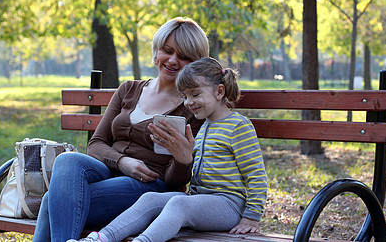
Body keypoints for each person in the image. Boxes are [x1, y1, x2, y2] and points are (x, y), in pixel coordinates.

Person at [32, 17, 210, 242]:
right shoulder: (129, 89)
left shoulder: (191, 108)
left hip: (150, 187)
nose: (173, 60)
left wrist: (184, 160)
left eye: (184, 56)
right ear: (156, 51)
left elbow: (173, 183)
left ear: (195, 63)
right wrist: (123, 163)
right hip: (109, 172)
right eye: (168, 50)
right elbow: (95, 144)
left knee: (51, 202)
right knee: (67, 160)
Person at [70, 57, 268, 242]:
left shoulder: (238, 126)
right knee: (149, 199)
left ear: (219, 92)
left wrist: (251, 217)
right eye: (185, 96)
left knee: (178, 204)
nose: (189, 102)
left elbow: (256, 174)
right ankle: (101, 238)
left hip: (228, 205)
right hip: (199, 200)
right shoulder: (203, 126)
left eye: (195, 94)